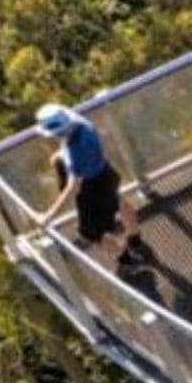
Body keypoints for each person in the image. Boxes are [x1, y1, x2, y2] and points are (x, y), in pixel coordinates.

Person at [38, 103, 152, 277]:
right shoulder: (82, 123)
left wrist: (48, 217)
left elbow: (73, 188)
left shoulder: (75, 153)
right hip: (105, 172)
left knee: (92, 232)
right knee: (118, 201)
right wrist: (61, 154)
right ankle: (135, 239)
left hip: (92, 188)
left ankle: (128, 261)